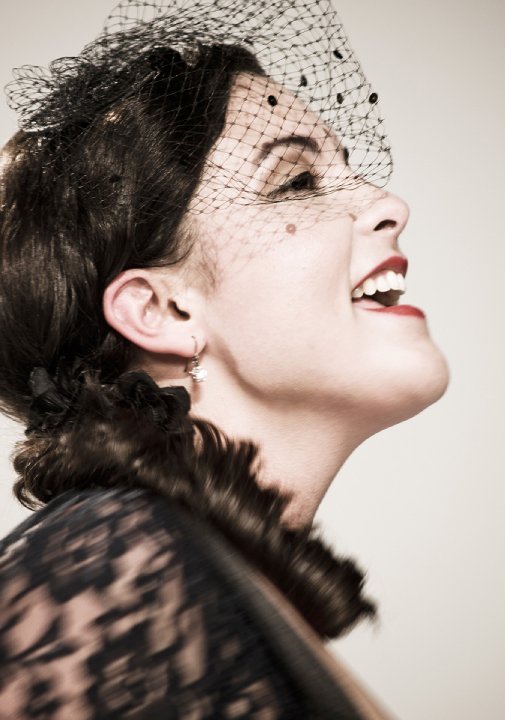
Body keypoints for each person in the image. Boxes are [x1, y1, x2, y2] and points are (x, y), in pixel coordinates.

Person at [0, 0, 449, 717]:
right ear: (162, 311)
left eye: (346, 170)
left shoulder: (203, 582)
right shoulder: (110, 559)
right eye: (296, 182)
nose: (388, 203)